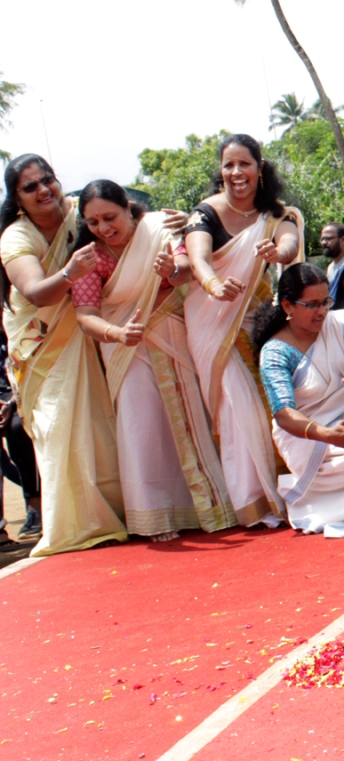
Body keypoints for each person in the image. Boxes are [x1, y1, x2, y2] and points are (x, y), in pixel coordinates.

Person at [72, 180, 233, 541]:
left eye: (109, 217)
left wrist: (170, 272)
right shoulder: (88, 256)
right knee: (142, 429)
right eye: (93, 222)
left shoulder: (159, 229)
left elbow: (186, 268)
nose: (103, 229)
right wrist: (116, 333)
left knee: (193, 416)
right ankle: (157, 516)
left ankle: (213, 505)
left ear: (128, 208)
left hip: (173, 333)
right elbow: (85, 314)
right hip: (124, 347)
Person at [0, 156, 123, 555]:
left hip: (89, 335)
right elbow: (37, 294)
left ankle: (118, 513)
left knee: (101, 422)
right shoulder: (16, 237)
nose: (43, 190)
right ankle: (73, 524)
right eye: (30, 186)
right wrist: (70, 272)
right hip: (42, 347)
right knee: (57, 427)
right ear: (17, 198)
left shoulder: (79, 213)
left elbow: (127, 223)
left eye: (47, 180)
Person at [183, 133, 302, 529]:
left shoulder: (274, 215)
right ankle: (251, 501)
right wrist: (214, 284)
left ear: (259, 168)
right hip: (210, 321)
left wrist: (277, 253)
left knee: (269, 400)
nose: (236, 172)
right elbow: (198, 257)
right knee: (235, 403)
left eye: (244, 164)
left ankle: (284, 487)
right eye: (228, 165)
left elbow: (288, 242)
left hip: (256, 319)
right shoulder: (205, 213)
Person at [255, 264, 344, 537]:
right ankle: (311, 499)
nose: (322, 311)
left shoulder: (340, 325)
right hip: (304, 436)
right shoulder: (275, 352)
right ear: (287, 305)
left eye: (325, 302)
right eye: (311, 305)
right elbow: (284, 413)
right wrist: (325, 435)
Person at [0, 330, 42, 543]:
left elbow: (25, 363)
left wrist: (9, 403)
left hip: (20, 392)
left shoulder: (17, 327)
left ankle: (34, 507)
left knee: (18, 427)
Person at [320, 223, 344, 288]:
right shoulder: (331, 267)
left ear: (343, 240)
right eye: (322, 239)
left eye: (328, 238)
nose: (324, 243)